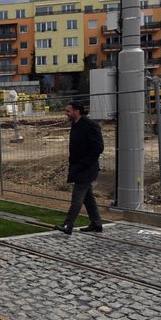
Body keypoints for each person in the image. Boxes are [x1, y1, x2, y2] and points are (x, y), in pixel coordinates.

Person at [55, 100, 104, 235]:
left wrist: (85, 163)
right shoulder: (75, 125)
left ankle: (68, 224)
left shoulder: (90, 125)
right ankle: (96, 223)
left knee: (77, 197)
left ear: (77, 111)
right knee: (88, 197)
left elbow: (98, 148)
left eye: (68, 111)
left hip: (87, 168)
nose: (67, 113)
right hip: (78, 167)